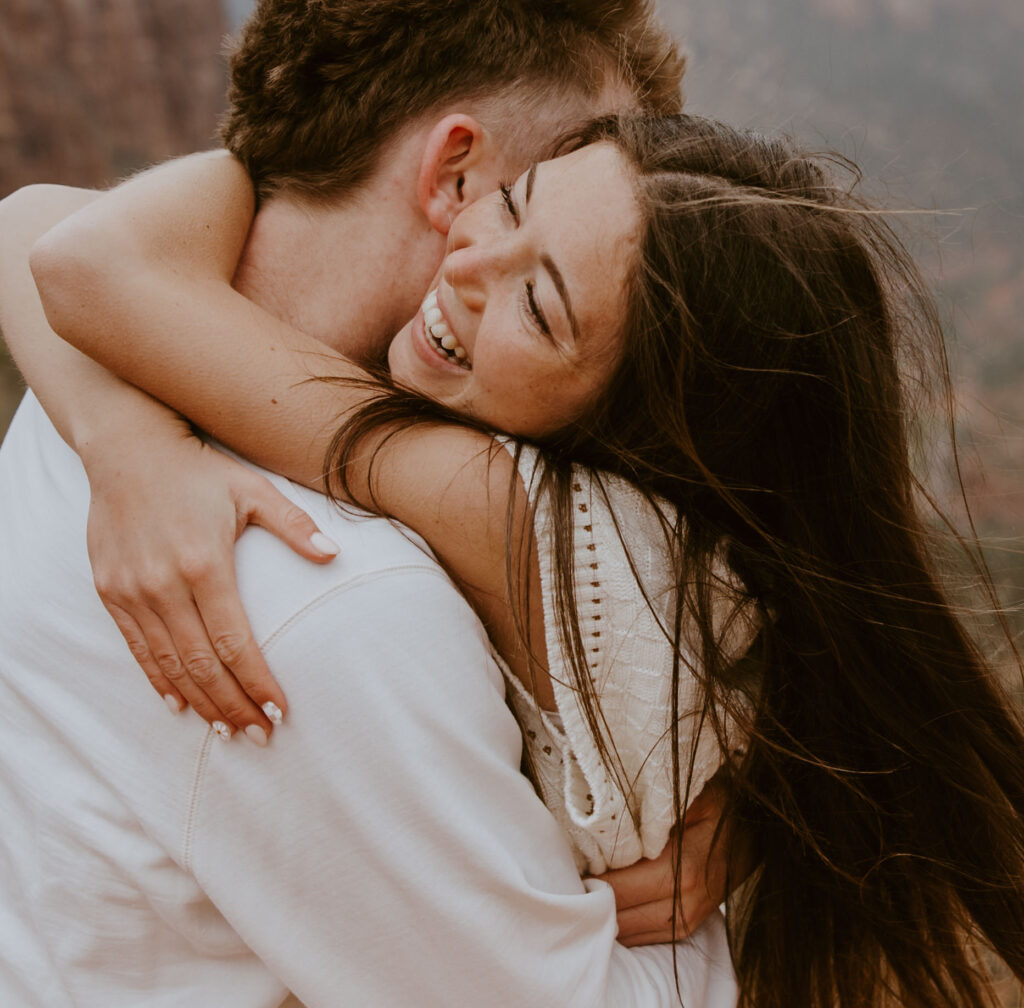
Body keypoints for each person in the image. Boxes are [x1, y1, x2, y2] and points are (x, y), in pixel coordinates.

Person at [26, 111, 1024, 1008]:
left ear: (643, 432)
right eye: (508, 207)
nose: (464, 267)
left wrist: (135, 444)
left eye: (538, 306)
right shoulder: (709, 575)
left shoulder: (501, 509)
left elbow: (72, 255)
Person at [0, 0, 744, 1004]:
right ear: (456, 170)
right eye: (545, 195)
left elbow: (55, 233)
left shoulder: (108, 368)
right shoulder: (337, 599)